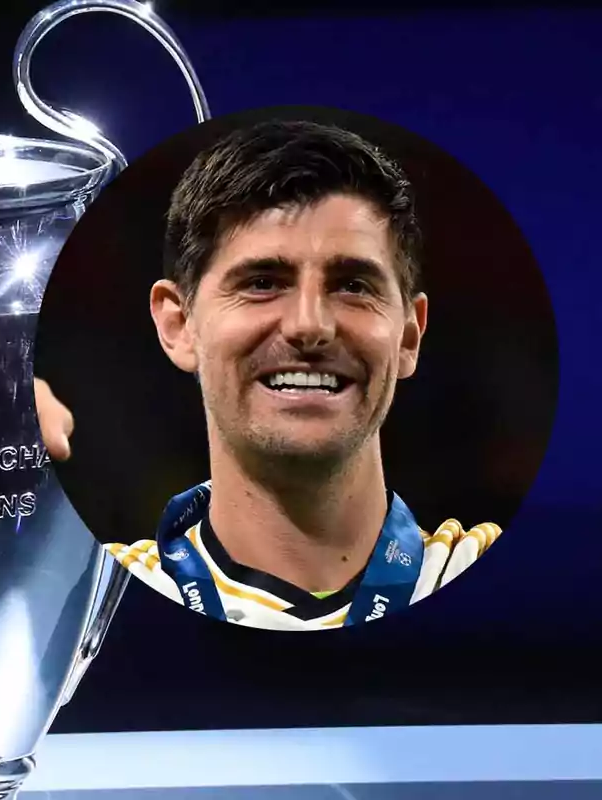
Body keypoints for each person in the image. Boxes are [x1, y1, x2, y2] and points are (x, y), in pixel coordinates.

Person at [35, 119, 500, 632]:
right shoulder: (87, 606)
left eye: (352, 285)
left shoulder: (496, 587)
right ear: (179, 324)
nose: (309, 326)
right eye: (262, 283)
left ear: (409, 336)